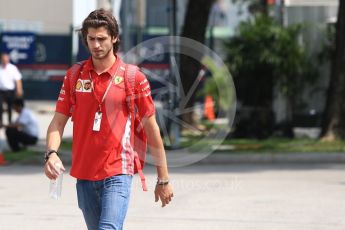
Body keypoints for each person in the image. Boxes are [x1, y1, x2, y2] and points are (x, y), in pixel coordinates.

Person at [44, 8, 173, 230]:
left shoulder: (133, 77)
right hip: (84, 174)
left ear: (114, 38)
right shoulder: (75, 76)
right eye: (91, 39)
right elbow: (57, 122)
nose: (96, 45)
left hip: (118, 172)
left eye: (102, 39)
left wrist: (163, 179)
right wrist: (51, 154)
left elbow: (152, 131)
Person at [0, 52, 24, 126]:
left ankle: (10, 122)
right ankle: (1, 122)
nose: (5, 60)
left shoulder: (12, 68)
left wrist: (19, 89)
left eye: (6, 59)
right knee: (0, 106)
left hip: (10, 91)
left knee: (10, 107)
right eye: (3, 59)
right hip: (1, 91)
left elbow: (18, 79)